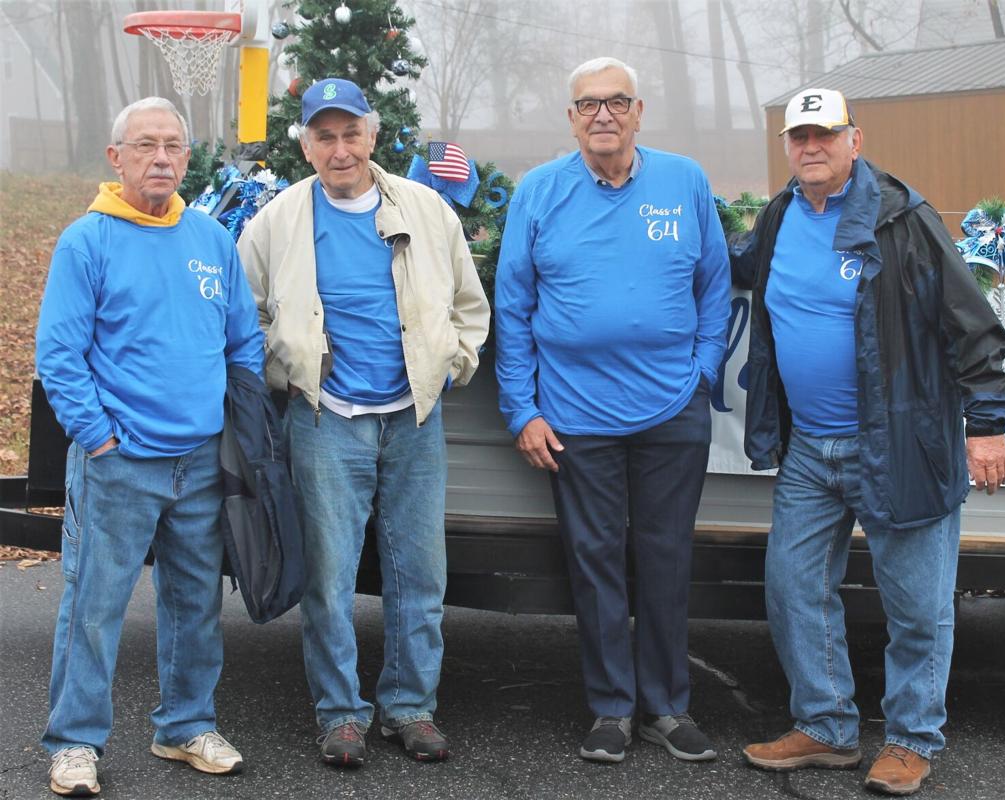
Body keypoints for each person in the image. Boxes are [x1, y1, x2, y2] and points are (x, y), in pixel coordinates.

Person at [732, 88, 1005, 795]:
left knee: (916, 604)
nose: (811, 148)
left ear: (854, 140)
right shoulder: (777, 217)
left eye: (824, 135)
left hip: (899, 444)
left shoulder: (902, 220)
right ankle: (826, 730)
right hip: (809, 450)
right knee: (794, 588)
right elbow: (733, 270)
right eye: (798, 137)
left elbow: (973, 327)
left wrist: (987, 426)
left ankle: (912, 740)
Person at [238, 78, 488, 768]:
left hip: (413, 418)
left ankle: (409, 706)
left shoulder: (428, 210)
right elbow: (243, 313)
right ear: (307, 144)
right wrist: (282, 367)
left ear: (374, 137)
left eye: (352, 134)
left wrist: (452, 364)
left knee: (420, 574)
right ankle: (341, 713)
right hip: (324, 421)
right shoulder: (278, 221)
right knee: (328, 579)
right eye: (325, 136)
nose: (340, 149)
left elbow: (469, 303)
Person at [495, 57, 730, 764]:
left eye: (617, 101)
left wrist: (705, 371)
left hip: (671, 411)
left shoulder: (684, 181)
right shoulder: (538, 192)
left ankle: (666, 707)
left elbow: (715, 284)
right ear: (571, 117)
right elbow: (513, 307)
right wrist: (521, 410)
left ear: (638, 110)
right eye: (588, 104)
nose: (603, 114)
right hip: (575, 417)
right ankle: (610, 710)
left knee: (666, 558)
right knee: (594, 562)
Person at [35, 97, 263, 797]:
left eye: (172, 146)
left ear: (187, 158)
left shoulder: (211, 238)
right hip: (119, 462)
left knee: (194, 603)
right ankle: (74, 741)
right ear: (117, 157)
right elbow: (60, 356)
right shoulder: (88, 240)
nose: (160, 157)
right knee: (95, 607)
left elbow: (243, 342)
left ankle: (185, 725)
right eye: (145, 146)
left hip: (199, 461)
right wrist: (99, 439)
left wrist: (237, 428)